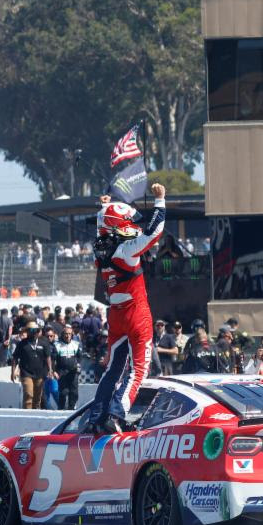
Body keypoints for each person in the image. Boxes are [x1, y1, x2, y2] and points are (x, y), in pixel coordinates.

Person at [83, 183, 166, 433]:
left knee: (113, 369)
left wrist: (105, 207)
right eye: (128, 222)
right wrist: (160, 200)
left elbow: (107, 227)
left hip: (115, 315)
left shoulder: (100, 250)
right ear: (118, 226)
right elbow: (154, 232)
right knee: (139, 369)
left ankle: (96, 416)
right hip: (136, 312)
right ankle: (116, 415)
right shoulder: (127, 250)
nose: (132, 225)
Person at [10, 325, 52, 409]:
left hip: (40, 373)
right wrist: (13, 371)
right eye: (31, 331)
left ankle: (35, 414)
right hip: (26, 373)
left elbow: (48, 357)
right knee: (29, 394)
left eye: (36, 331)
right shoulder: (22, 343)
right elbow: (15, 358)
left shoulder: (44, 342)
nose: (34, 333)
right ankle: (27, 414)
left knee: (37, 397)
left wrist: (50, 369)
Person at [53, 326, 82, 410]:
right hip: (61, 372)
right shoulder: (57, 345)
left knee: (74, 392)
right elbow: (53, 359)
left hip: (73, 372)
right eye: (66, 334)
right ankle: (61, 409)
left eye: (69, 334)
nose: (67, 335)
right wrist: (54, 371)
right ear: (62, 335)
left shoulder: (76, 344)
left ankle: (71, 409)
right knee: (63, 392)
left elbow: (80, 357)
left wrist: (78, 365)